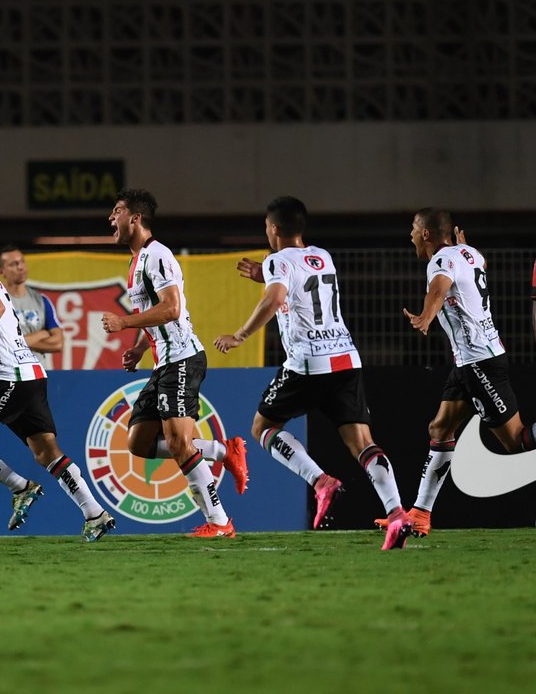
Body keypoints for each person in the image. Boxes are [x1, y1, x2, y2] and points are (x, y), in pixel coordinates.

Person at [215, 196, 413, 550]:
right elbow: (300, 287)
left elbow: (275, 298)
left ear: (274, 228)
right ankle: (397, 514)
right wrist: (266, 275)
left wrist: (240, 335)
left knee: (262, 427)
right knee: (363, 444)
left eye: (266, 227)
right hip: (345, 359)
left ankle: (321, 482)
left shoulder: (277, 260)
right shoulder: (322, 256)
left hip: (308, 363)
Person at [0, 222, 116, 541]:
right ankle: (94, 513)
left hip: (9, 376)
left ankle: (20, 487)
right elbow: (3, 325)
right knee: (47, 452)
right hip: (32, 374)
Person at [371, 209, 536, 536]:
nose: (411, 236)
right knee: (440, 428)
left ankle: (421, 512)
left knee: (516, 442)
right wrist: (463, 248)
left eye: (414, 229)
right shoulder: (468, 254)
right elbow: (478, 266)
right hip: (468, 362)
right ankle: (421, 513)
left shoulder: (441, 260)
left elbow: (439, 289)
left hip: (480, 362)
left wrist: (426, 316)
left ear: (427, 234)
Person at [100, 189, 243, 538]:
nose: (111, 218)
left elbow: (172, 308)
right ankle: (223, 451)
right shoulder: (136, 262)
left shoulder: (157, 255)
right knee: (137, 442)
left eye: (117, 211)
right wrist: (139, 348)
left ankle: (220, 522)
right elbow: (153, 313)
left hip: (181, 359)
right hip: (163, 363)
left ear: (135, 218)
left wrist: (123, 323)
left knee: (179, 443)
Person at [0, 246, 63, 369]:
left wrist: (16, 344)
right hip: (5, 373)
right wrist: (41, 334)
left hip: (37, 373)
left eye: (22, 261)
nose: (20, 267)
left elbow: (58, 343)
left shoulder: (41, 300)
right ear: (1, 271)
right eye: (13, 264)